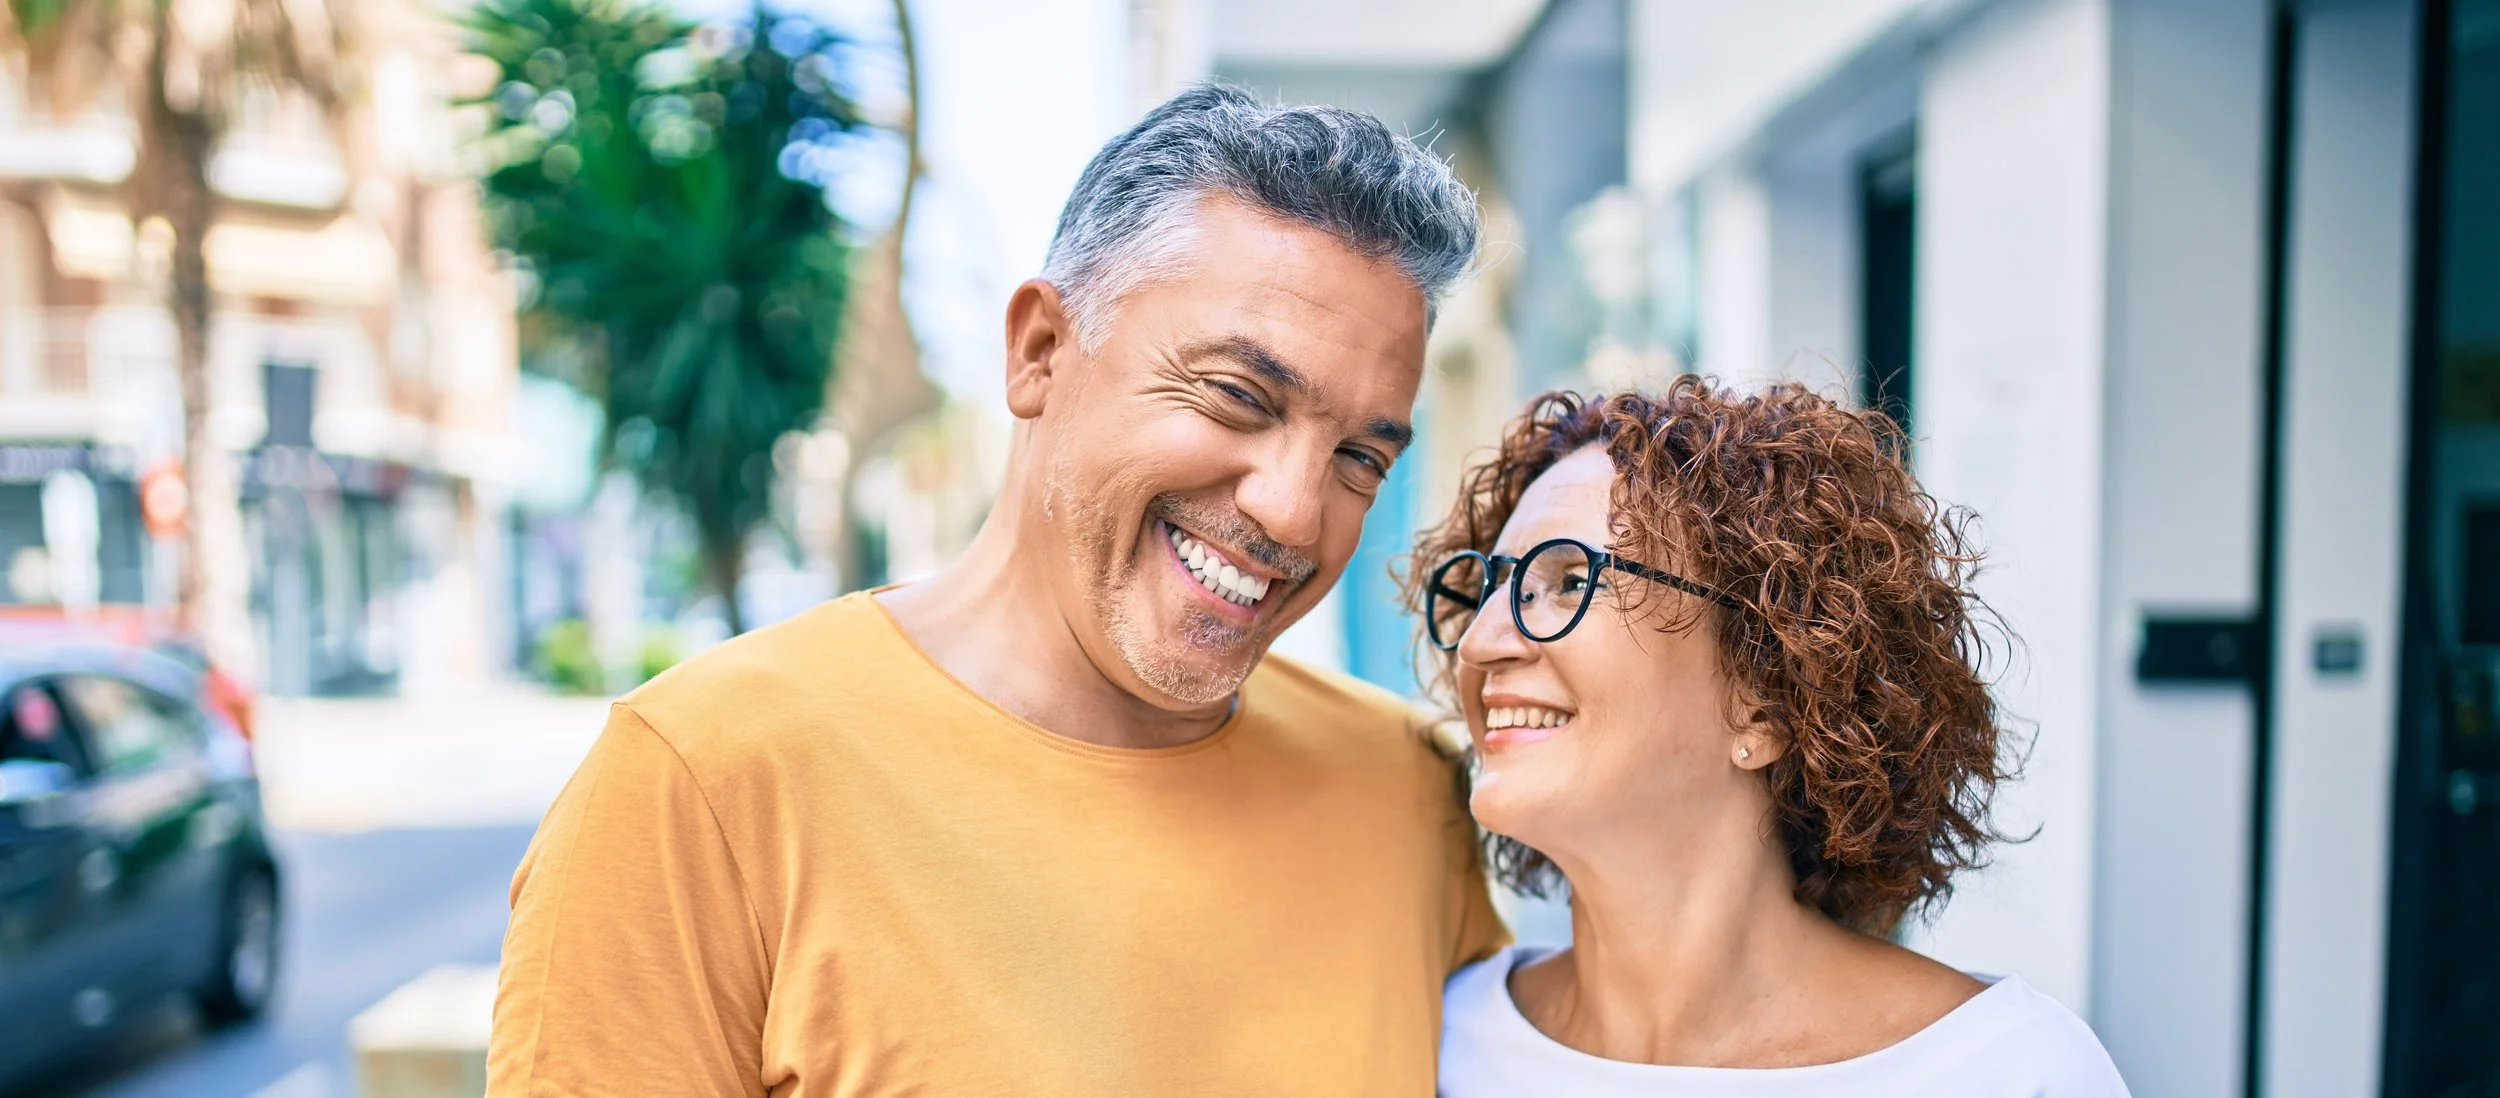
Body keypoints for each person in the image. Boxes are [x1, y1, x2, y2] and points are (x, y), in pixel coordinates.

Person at [486, 84, 1506, 1097]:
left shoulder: (1409, 788)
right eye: (1239, 397)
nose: (1293, 512)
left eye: (1360, 458)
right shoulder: (701, 787)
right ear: (1039, 353)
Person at [1415, 381, 2130, 1096]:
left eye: (1572, 581)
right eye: (1487, 592)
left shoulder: (2002, 1070)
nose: (1478, 644)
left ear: (1765, 700)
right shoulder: (1442, 1041)